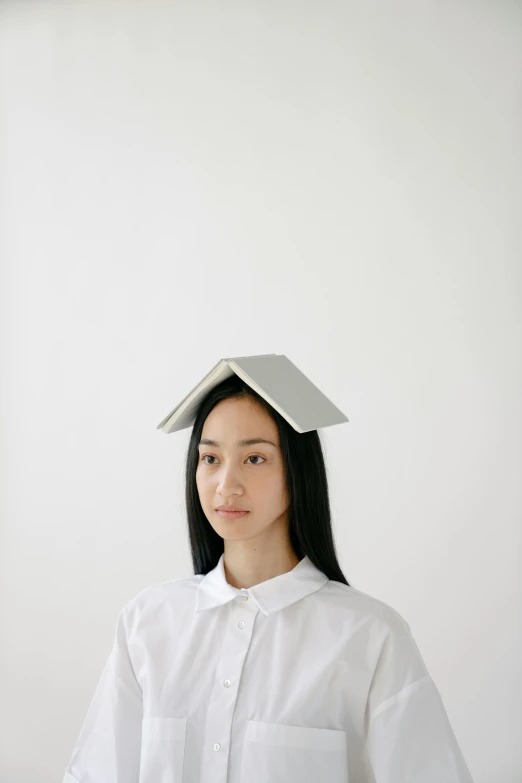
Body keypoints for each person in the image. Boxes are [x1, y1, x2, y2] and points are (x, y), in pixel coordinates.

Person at [62, 373, 474, 782]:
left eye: (254, 458)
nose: (227, 485)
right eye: (211, 459)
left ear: (297, 472)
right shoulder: (148, 622)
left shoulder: (370, 636)